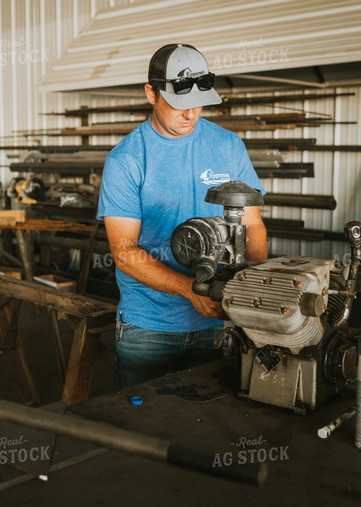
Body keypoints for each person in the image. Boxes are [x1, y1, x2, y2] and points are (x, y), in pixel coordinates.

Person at [97, 43, 267, 389]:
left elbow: (253, 227)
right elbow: (125, 253)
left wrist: (252, 293)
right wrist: (191, 291)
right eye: (178, 103)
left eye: (198, 102)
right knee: (140, 426)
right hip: (148, 327)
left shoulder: (229, 146)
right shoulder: (127, 160)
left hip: (217, 323)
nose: (190, 113)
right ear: (151, 93)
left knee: (209, 425)